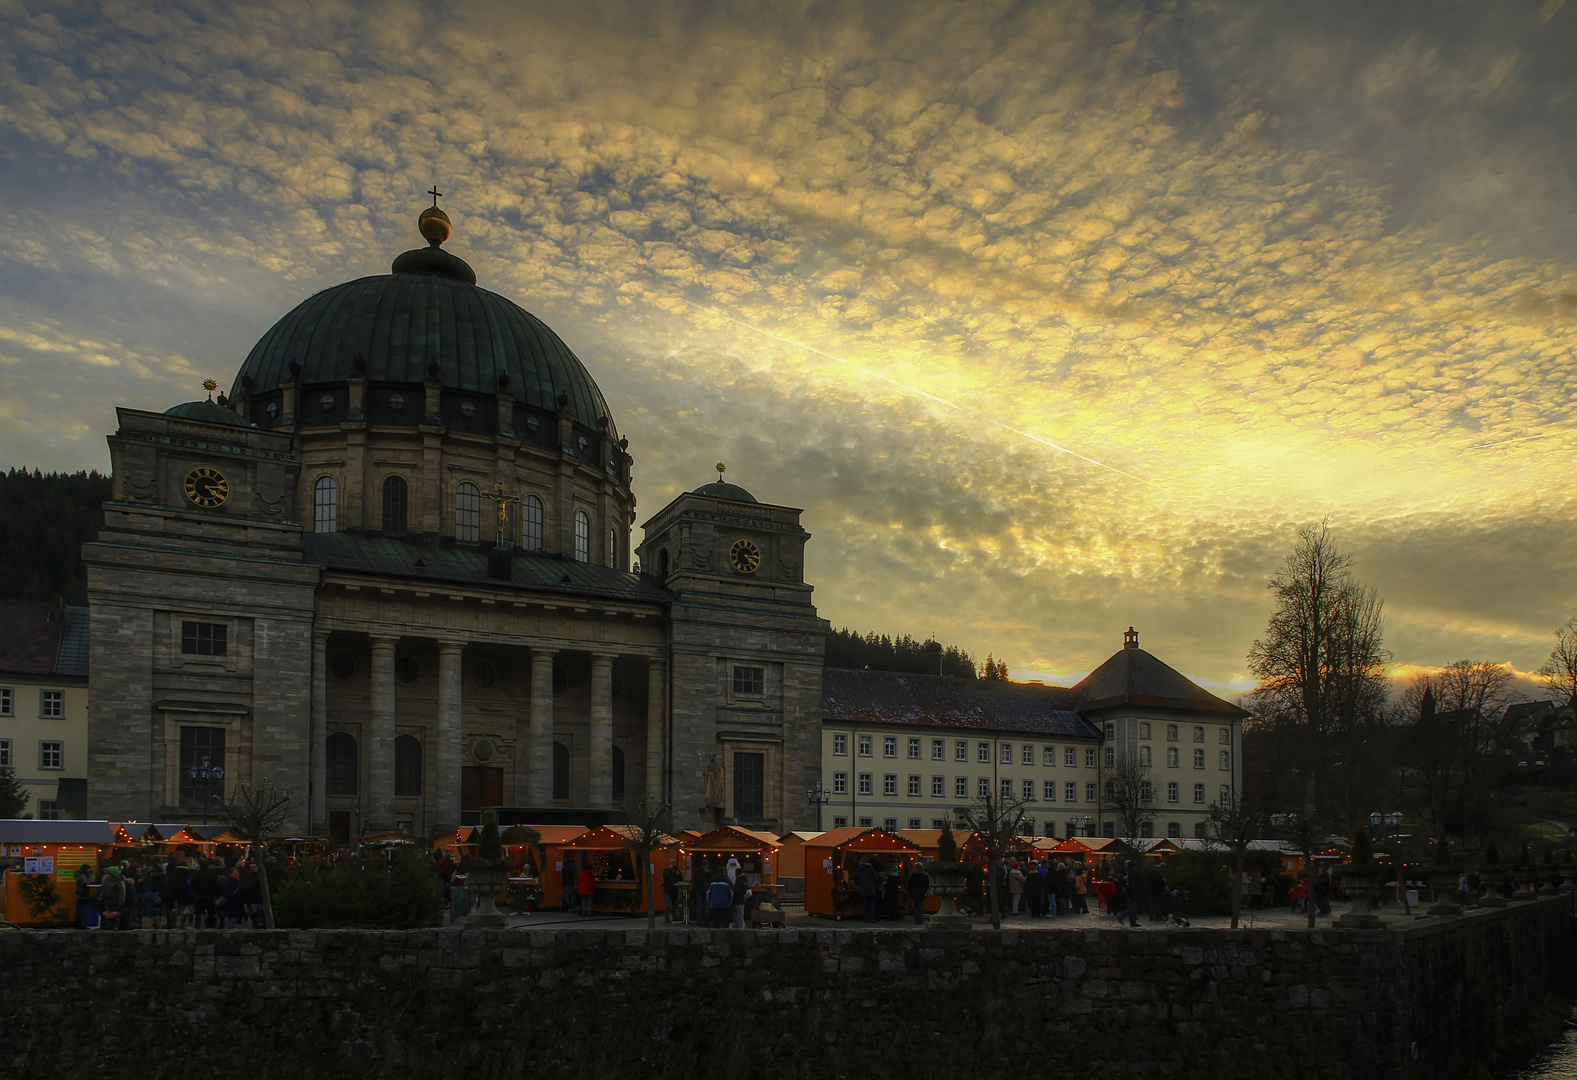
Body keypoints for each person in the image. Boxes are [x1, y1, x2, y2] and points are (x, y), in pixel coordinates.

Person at [854, 857, 880, 923]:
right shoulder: (870, 868)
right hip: (871, 888)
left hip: (863, 888)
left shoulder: (858, 869)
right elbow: (876, 876)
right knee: (872, 904)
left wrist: (858, 884)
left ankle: (866, 918)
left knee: (865, 904)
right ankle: (872, 918)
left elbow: (855, 878)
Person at [74, 863, 97, 930]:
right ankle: (80, 924)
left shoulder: (78, 875)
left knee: (79, 910)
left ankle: (78, 923)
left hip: (79, 893)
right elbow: (88, 882)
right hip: (83, 894)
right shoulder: (82, 875)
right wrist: (91, 875)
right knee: (81, 910)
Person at [1125, 861, 1146, 928]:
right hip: (1132, 893)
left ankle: (1132, 921)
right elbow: (1133, 883)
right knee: (1133, 908)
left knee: (1132, 907)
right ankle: (1123, 917)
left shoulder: (1128, 872)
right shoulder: (1132, 873)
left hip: (1130, 892)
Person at [662, 859, 680, 924]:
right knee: (667, 905)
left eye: (673, 863)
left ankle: (674, 917)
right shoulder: (666, 870)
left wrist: (678, 874)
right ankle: (667, 918)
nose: (672, 864)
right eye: (671, 863)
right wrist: (670, 870)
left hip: (674, 890)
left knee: (674, 904)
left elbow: (680, 878)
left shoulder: (676, 870)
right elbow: (665, 876)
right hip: (668, 890)